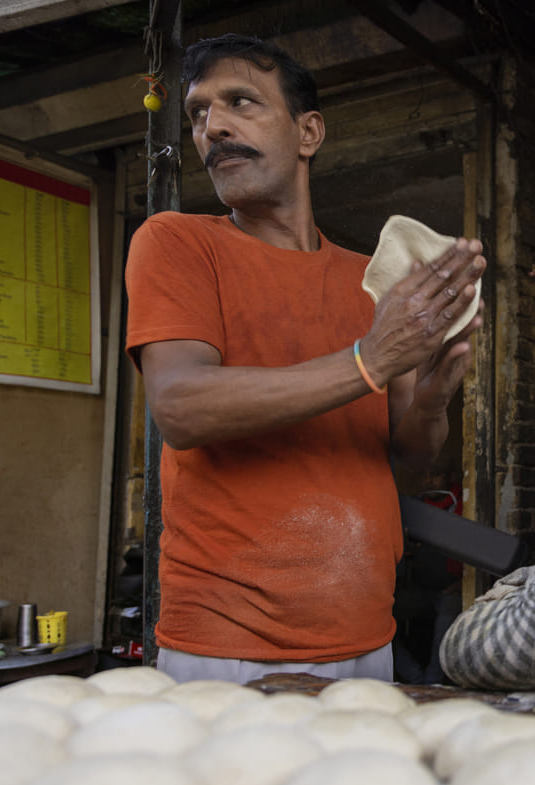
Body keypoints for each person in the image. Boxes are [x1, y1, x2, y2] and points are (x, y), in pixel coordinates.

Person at [124, 34, 485, 684]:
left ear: (309, 132)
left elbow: (409, 456)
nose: (214, 128)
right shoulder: (175, 243)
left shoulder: (369, 281)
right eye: (200, 113)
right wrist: (370, 360)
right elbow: (180, 406)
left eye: (241, 102)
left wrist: (431, 399)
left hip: (367, 637)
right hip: (226, 647)